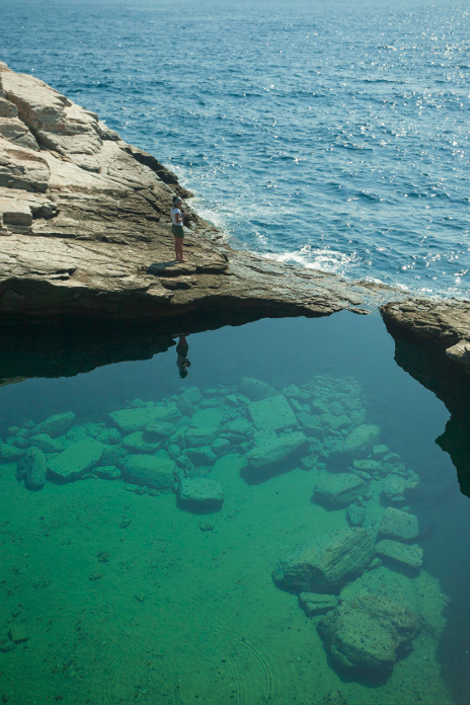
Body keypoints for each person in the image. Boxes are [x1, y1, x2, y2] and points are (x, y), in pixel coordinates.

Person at [170, 196, 186, 262]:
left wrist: (181, 215)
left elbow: (175, 218)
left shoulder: (172, 209)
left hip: (173, 227)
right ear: (176, 203)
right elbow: (178, 220)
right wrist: (183, 217)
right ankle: (181, 258)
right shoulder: (177, 210)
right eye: (179, 202)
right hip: (178, 228)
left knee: (176, 243)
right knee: (180, 244)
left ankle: (177, 257)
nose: (180, 203)